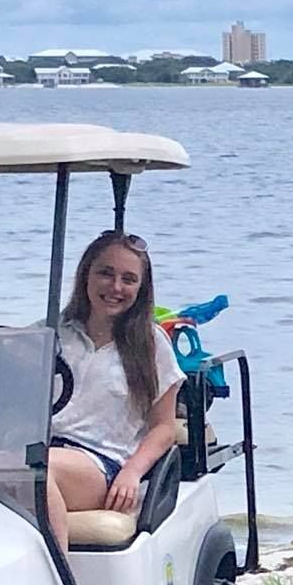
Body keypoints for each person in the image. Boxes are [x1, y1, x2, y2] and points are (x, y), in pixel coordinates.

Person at [47, 230, 184, 550]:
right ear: (86, 275)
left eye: (128, 279)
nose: (116, 287)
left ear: (141, 288)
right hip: (40, 449)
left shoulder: (151, 345)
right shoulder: (52, 333)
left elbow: (164, 427)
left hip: (99, 462)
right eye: (106, 273)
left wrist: (132, 473)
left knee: (37, 471)